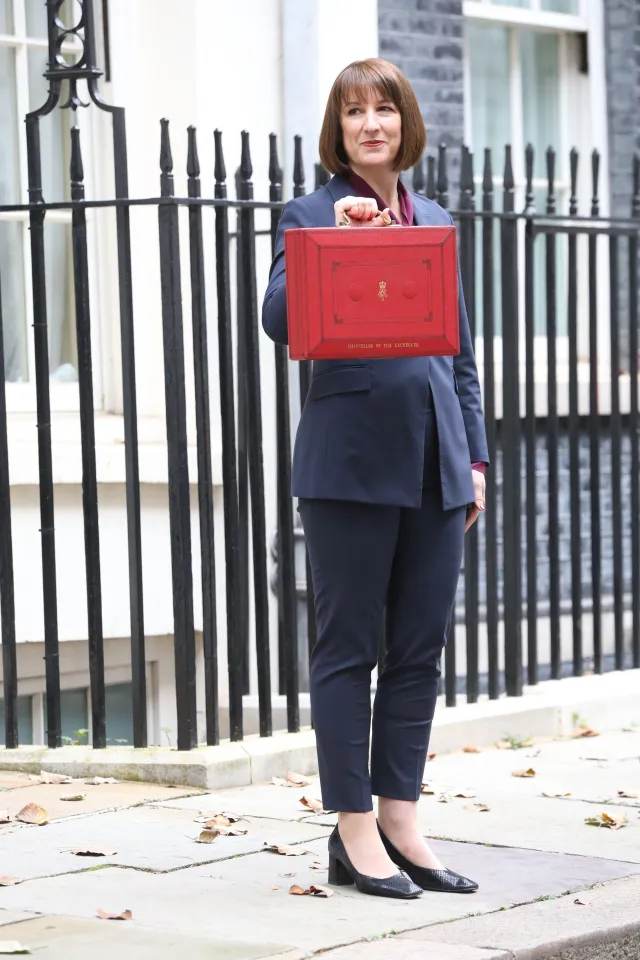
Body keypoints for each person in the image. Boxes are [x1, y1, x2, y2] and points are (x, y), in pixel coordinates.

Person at [262, 58, 489, 900]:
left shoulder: (432, 217)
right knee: (348, 647)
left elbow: (459, 356)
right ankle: (352, 829)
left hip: (436, 468)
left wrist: (474, 457)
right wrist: (343, 245)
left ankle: (401, 818)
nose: (371, 124)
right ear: (340, 128)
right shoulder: (311, 212)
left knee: (420, 650)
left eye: (384, 109)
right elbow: (280, 321)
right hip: (349, 468)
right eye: (354, 111)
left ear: (404, 123)